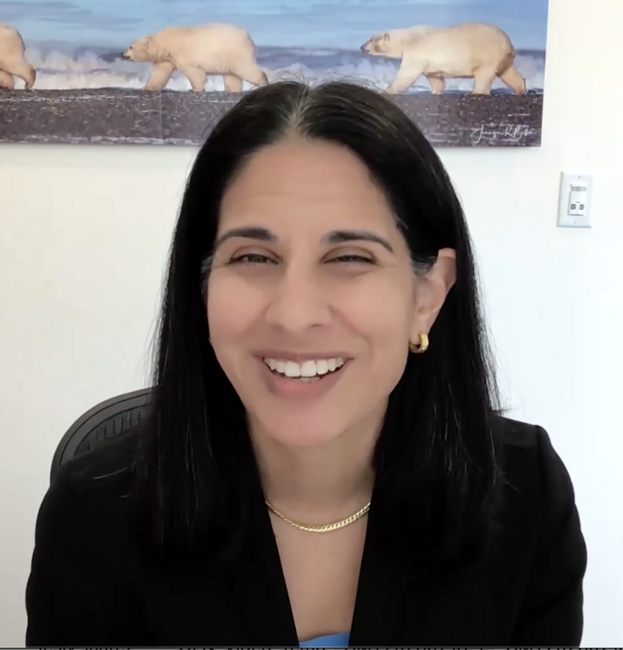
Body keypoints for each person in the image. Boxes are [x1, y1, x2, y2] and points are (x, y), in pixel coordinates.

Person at [25, 81, 587, 647]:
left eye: (349, 257)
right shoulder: (93, 515)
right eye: (253, 256)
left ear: (428, 295)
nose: (294, 316)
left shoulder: (525, 495)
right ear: (202, 288)